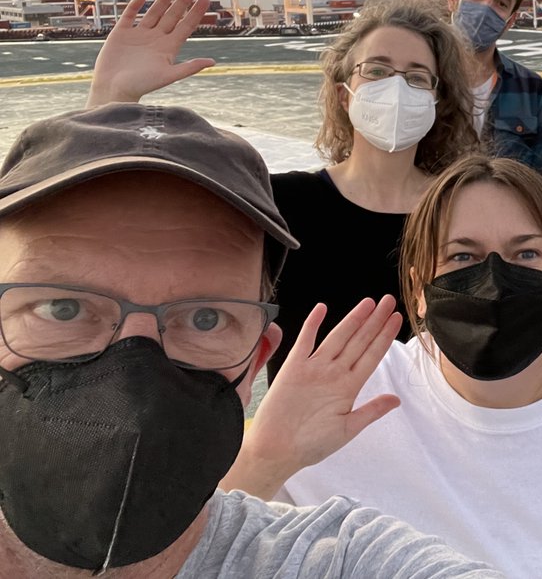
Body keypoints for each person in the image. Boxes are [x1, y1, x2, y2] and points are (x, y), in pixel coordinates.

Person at [0, 103, 500, 578]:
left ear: (256, 359)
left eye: (204, 318)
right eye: (61, 308)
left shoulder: (337, 560)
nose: (130, 377)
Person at [222, 154, 542, 576]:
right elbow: (191, 554)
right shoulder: (340, 407)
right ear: (419, 287)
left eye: (526, 255)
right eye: (463, 258)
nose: (495, 280)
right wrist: (265, 457)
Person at [87, 0, 480, 379]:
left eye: (416, 77)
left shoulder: (466, 210)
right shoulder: (280, 203)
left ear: (436, 99)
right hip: (304, 438)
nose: (396, 88)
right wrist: (111, 97)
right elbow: (137, 235)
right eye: (376, 70)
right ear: (344, 95)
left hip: (435, 436)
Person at [447, 0, 542, 187]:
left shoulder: (536, 93)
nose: (486, 7)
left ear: (509, 21)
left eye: (501, 3)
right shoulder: (417, 79)